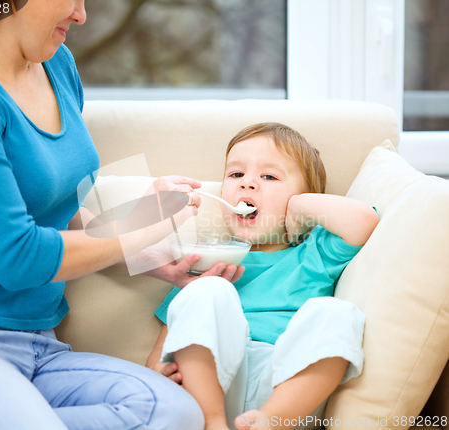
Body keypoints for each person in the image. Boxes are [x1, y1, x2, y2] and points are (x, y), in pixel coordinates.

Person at [0, 1, 245, 429]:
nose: (81, 15)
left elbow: (58, 211)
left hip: (39, 346)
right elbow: (17, 258)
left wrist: (146, 245)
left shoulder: (58, 65)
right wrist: (140, 228)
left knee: (175, 413)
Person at [146, 123, 380, 430]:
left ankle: (270, 422)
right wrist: (159, 371)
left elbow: (364, 221)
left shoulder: (315, 253)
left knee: (339, 313)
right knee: (207, 290)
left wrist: (298, 206)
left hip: (289, 386)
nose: (247, 184)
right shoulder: (204, 266)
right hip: (213, 387)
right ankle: (211, 422)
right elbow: (161, 352)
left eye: (269, 176)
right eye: (236, 175)